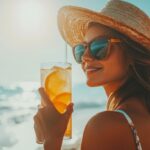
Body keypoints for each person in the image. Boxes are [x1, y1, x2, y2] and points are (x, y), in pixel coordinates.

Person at [33, 0, 150, 149]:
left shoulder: (106, 126)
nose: (85, 57)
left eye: (99, 46)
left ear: (131, 52)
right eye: (81, 49)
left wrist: (52, 139)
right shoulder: (142, 115)